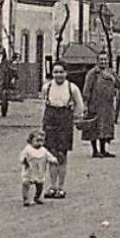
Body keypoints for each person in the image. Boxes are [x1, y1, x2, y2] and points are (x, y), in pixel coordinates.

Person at [40, 62, 85, 198]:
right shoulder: (47, 87)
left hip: (64, 121)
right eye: (56, 72)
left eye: (61, 72)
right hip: (50, 121)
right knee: (51, 155)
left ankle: (61, 187)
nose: (58, 75)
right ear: (52, 74)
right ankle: (52, 186)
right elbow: (44, 103)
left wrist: (77, 118)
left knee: (62, 154)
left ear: (66, 73)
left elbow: (80, 105)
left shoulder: (72, 88)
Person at [82, 50, 120, 158]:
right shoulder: (92, 73)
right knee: (94, 127)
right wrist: (85, 104)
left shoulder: (111, 72)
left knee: (105, 127)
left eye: (105, 60)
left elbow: (119, 84)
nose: (103, 62)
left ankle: (103, 150)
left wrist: (113, 78)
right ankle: (95, 150)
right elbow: (86, 90)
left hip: (107, 105)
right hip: (95, 104)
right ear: (97, 61)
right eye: (101, 60)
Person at [19, 129, 54, 206]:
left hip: (40, 171)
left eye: (42, 141)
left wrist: (53, 160)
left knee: (40, 185)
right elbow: (22, 156)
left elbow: (48, 156)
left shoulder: (43, 150)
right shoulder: (28, 149)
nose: (39, 143)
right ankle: (26, 199)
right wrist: (23, 160)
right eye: (37, 140)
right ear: (31, 140)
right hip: (29, 170)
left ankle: (37, 197)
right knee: (26, 184)